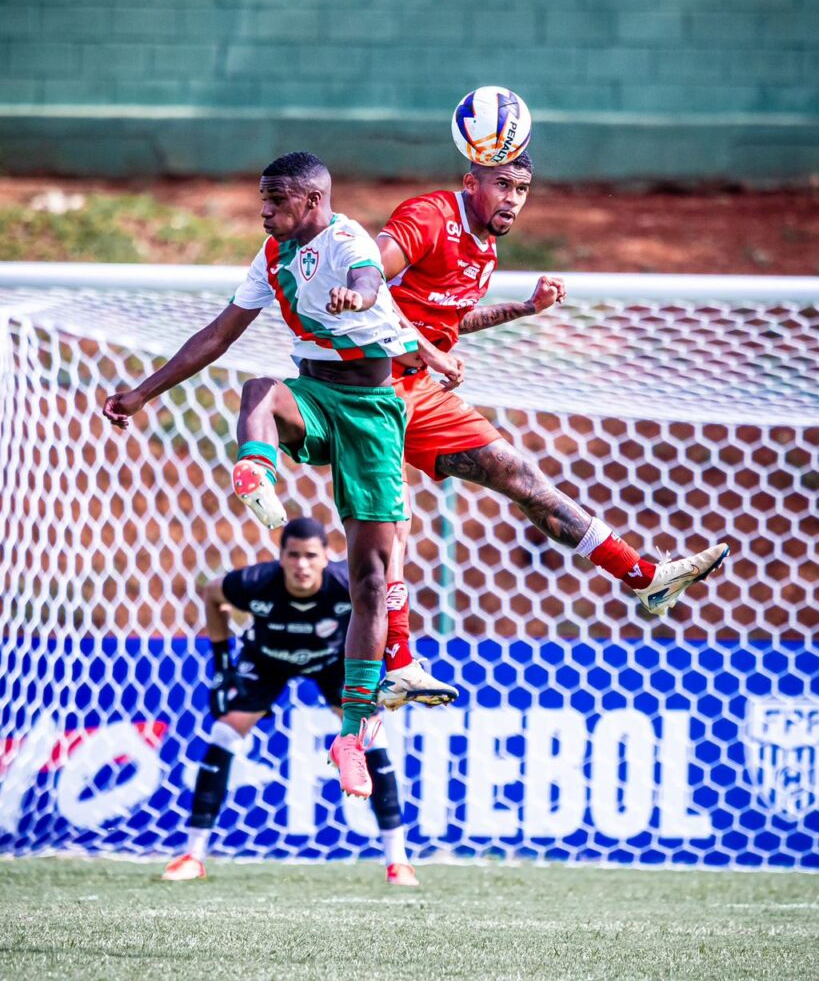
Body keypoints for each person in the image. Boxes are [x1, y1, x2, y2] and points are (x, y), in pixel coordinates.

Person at [103, 151, 427, 798]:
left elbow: (367, 279)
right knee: (258, 388)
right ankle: (255, 476)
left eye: (275, 200)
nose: (264, 210)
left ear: (310, 200)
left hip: (371, 415)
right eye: (263, 198)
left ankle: (352, 736)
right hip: (313, 398)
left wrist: (356, 294)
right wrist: (142, 392)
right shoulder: (272, 256)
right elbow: (218, 334)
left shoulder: (345, 240)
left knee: (369, 580)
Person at [373, 151, 729, 700]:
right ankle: (395, 664)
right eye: (503, 184)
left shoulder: (485, 249)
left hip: (418, 390)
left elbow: (448, 316)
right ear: (471, 182)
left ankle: (645, 578)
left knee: (519, 475)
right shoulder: (428, 217)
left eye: (523, 188)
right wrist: (429, 352)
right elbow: (366, 281)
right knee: (388, 527)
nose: (514, 198)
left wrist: (524, 309)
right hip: (363, 384)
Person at [162, 517, 418, 887]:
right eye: (293, 555)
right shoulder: (256, 583)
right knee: (223, 733)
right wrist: (221, 667)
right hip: (267, 660)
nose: (302, 564)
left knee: (373, 739)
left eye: (310, 555)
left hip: (332, 662)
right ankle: (193, 855)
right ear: (280, 557)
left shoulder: (345, 584)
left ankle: (398, 861)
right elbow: (213, 593)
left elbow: (380, 610)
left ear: (327, 557)